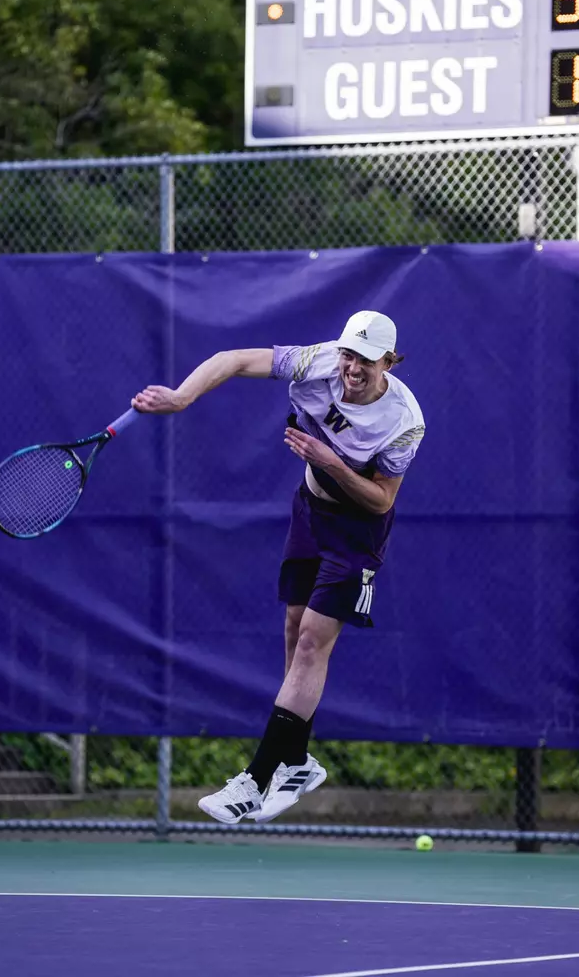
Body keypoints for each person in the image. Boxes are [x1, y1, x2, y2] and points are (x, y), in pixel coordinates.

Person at [132, 309, 424, 824]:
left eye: (366, 360)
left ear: (389, 362)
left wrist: (330, 460)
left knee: (313, 639)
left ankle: (256, 778)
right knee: (294, 628)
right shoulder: (317, 362)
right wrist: (182, 397)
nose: (352, 368)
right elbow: (235, 358)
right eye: (349, 354)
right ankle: (296, 759)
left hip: (357, 532)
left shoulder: (405, 422)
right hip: (309, 512)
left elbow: (381, 500)